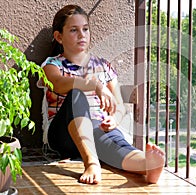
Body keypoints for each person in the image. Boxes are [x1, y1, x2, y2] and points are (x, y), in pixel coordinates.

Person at [39, 4, 165, 185]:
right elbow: (58, 84)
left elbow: (119, 104)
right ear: (59, 37)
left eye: (85, 29)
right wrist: (94, 84)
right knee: (77, 94)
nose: (82, 35)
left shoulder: (104, 66)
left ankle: (146, 164)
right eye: (74, 30)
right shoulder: (52, 65)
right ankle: (91, 163)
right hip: (64, 134)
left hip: (98, 130)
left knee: (115, 143)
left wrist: (115, 119)